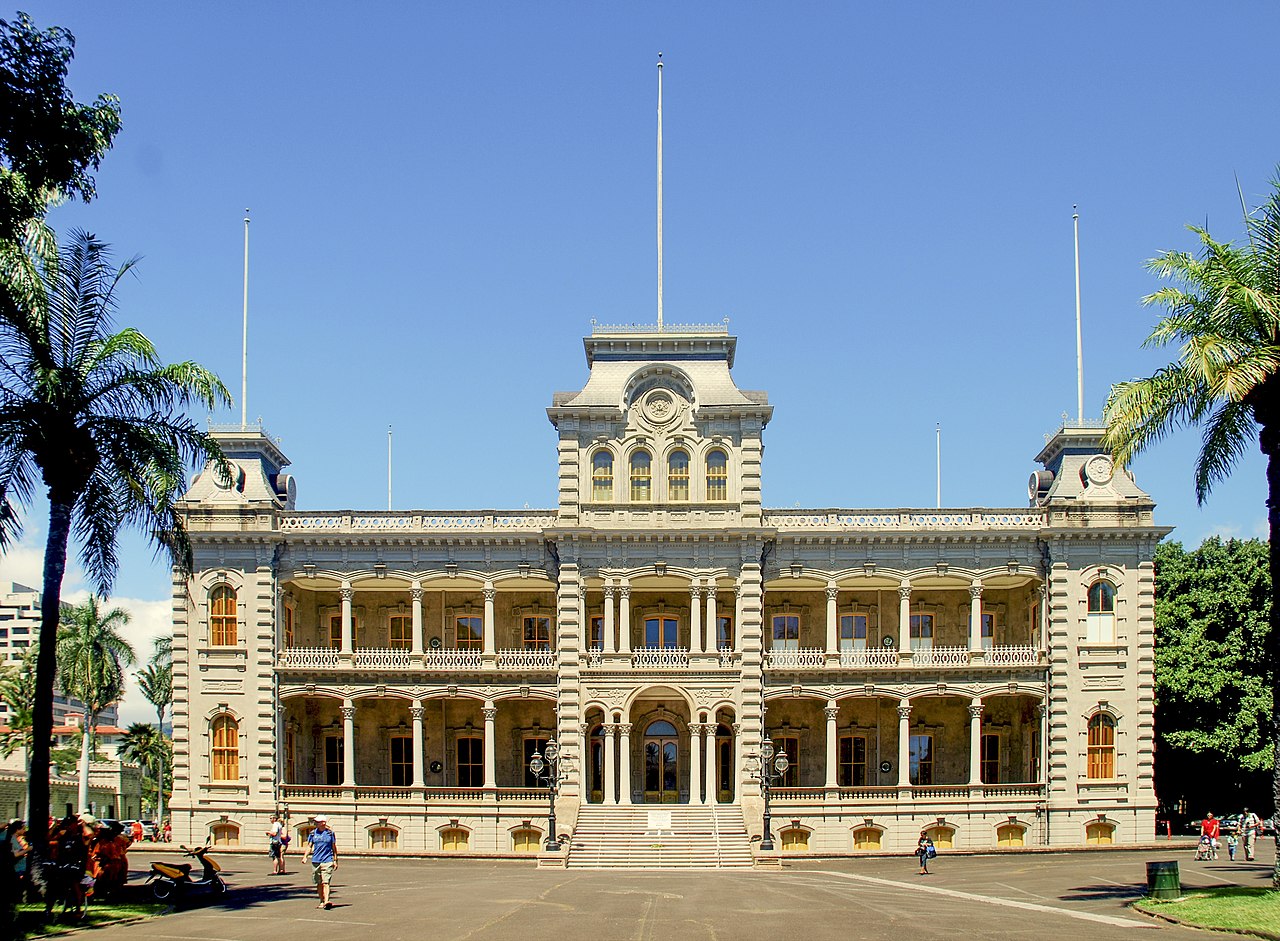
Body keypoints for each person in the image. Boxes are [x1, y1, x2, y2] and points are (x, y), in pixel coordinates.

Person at [303, 815, 337, 909]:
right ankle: (322, 900)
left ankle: (326, 901)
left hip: (327, 860)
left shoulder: (330, 833)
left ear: (323, 823)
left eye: (317, 822)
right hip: (316, 860)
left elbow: (333, 847)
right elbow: (309, 846)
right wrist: (305, 856)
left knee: (326, 882)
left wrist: (335, 860)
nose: (315, 823)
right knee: (319, 883)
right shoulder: (313, 834)